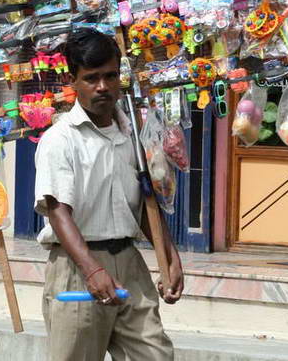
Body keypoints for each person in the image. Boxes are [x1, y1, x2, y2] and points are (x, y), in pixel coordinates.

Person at [34, 28, 184, 361]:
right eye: (91, 78)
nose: (102, 87)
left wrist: (169, 256)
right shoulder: (60, 140)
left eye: (110, 76)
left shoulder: (131, 133)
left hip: (129, 264)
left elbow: (144, 202)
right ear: (73, 80)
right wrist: (91, 270)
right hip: (77, 267)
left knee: (157, 354)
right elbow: (58, 212)